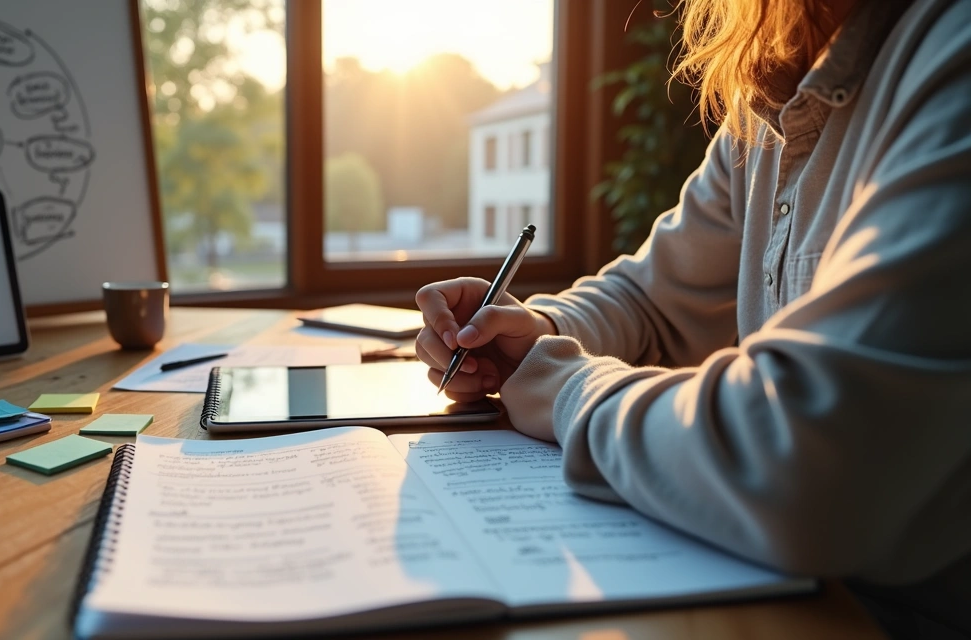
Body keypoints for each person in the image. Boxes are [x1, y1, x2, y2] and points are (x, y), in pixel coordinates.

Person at [415, 0, 971, 637]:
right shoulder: (770, 92)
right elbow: (653, 296)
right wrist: (532, 330)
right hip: (767, 587)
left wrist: (565, 389)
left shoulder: (951, 57)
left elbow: (800, 458)